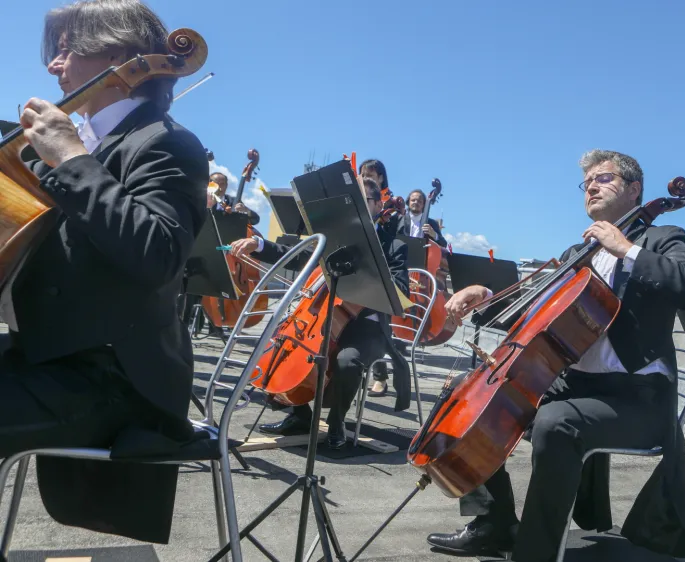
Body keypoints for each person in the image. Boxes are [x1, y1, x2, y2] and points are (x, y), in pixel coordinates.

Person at [424, 150, 685, 562]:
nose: (592, 186)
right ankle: (494, 522)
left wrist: (625, 248)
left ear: (635, 190)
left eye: (604, 178)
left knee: (555, 422)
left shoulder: (662, 236)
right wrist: (485, 297)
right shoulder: (577, 252)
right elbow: (533, 311)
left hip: (637, 398)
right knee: (467, 394)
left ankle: (536, 553)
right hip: (576, 385)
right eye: (587, 182)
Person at [0, 0, 208, 543]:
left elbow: (158, 253)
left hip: (115, 379)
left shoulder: (165, 143)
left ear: (117, 54)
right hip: (47, 358)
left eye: (66, 48)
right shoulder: (61, 150)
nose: (54, 65)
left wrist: (70, 159)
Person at [229, 177, 412, 449]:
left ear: (377, 205)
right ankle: (299, 416)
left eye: (362, 202)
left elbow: (400, 289)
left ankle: (337, 424)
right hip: (323, 317)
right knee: (283, 345)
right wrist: (259, 245)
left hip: (368, 326)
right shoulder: (336, 236)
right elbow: (300, 255)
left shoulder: (392, 244)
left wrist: (371, 273)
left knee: (348, 359)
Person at [357, 158, 397, 397]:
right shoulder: (358, 196)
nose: (366, 176)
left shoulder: (388, 203)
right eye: (362, 173)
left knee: (378, 322)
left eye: (370, 173)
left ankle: (381, 376)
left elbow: (392, 239)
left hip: (377, 273)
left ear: (381, 177)